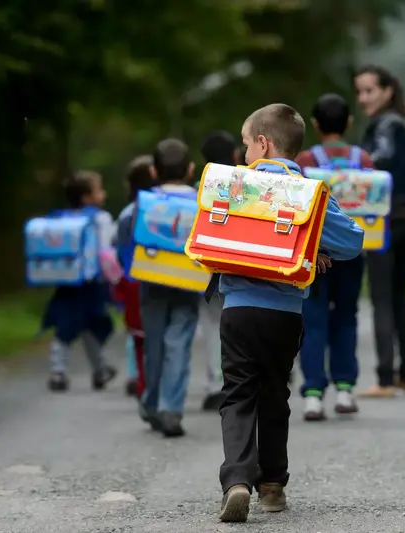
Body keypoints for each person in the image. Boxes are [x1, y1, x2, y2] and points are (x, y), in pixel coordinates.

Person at [217, 104, 364, 522]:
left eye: (246, 144)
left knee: (237, 394)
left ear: (262, 144)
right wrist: (314, 243)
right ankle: (273, 485)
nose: (244, 153)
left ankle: (237, 481)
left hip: (240, 308)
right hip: (286, 313)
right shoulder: (310, 192)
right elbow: (353, 242)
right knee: (274, 393)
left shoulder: (236, 185)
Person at [353, 65, 405, 398]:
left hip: (387, 221)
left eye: (369, 91)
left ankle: (385, 378)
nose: (363, 98)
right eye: (359, 92)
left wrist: (354, 164)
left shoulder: (384, 126)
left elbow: (379, 160)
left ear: (387, 91)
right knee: (399, 295)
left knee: (382, 296)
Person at [294, 93, 374, 421]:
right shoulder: (364, 159)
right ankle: (345, 389)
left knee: (312, 320)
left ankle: (313, 394)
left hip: (315, 253)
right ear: (349, 122)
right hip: (353, 253)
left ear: (314, 124)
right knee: (346, 317)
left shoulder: (306, 161)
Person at [117, 139, 201, 438]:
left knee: (153, 344)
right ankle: (171, 408)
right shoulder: (202, 201)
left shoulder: (140, 204)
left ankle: (150, 402)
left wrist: (131, 272)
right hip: (190, 283)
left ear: (153, 171)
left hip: (151, 281)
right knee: (178, 343)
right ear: (191, 170)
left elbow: (123, 239)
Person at [40, 170, 118, 392]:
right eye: (98, 190)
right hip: (91, 284)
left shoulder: (60, 218)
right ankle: (99, 369)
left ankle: (59, 371)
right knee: (92, 326)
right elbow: (105, 251)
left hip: (66, 283)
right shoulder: (100, 219)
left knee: (65, 326)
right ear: (87, 197)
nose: (103, 194)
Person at [198, 130, 242, 412]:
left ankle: (217, 385)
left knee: (213, 327)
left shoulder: (200, 187)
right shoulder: (249, 186)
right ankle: (244, 382)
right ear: (237, 155)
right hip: (242, 268)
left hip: (210, 271)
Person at [114, 155, 155, 399]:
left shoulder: (128, 212)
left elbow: (120, 249)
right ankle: (155, 377)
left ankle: (135, 375)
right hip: (161, 278)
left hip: (132, 278)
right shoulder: (164, 206)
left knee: (135, 333)